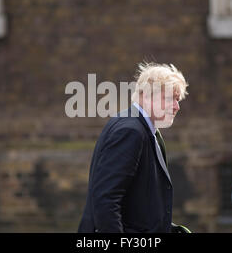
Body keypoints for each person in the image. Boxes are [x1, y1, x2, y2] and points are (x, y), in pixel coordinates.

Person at [78, 62, 188, 233]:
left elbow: (139, 202)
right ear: (145, 96)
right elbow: (106, 199)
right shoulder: (130, 131)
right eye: (169, 98)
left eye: (177, 99)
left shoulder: (146, 130)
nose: (176, 106)